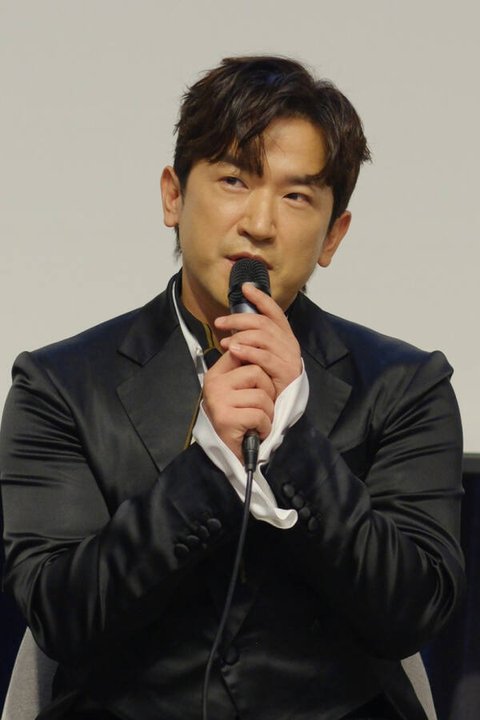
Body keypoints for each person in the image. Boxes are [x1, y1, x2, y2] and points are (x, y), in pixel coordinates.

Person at [0, 55, 465, 720]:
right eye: (233, 180)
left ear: (333, 235)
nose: (260, 223)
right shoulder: (60, 385)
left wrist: (294, 442)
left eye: (297, 196)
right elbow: (62, 617)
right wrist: (210, 464)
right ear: (173, 196)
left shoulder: (404, 386)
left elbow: (413, 612)